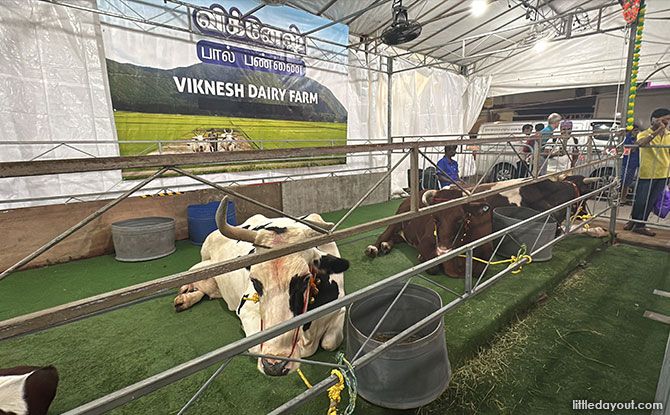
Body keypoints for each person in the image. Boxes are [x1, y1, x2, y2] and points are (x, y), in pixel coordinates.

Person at [624, 109, 670, 236]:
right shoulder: (644, 134)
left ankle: (639, 224)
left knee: (651, 201)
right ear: (654, 120)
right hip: (647, 172)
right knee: (641, 200)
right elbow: (641, 144)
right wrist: (657, 131)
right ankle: (634, 221)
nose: (667, 122)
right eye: (664, 119)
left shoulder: (669, 136)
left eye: (668, 119)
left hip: (663, 174)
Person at [620, 124, 641, 204]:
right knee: (624, 181)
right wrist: (636, 142)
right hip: (627, 162)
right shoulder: (628, 138)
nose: (637, 132)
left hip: (635, 162)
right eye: (635, 130)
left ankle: (624, 197)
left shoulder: (640, 137)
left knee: (629, 181)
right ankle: (622, 197)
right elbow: (628, 150)